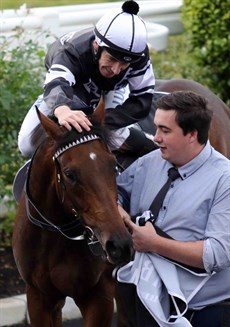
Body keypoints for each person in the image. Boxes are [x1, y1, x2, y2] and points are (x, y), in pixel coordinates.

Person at [116, 91, 230, 327]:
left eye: (165, 130)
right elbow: (113, 193)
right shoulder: (148, 163)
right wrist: (119, 212)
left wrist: (154, 244)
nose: (155, 137)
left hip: (200, 311)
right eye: (156, 127)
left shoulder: (225, 179)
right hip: (142, 300)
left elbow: (216, 254)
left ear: (192, 135)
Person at [18, 0, 156, 158]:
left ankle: (154, 147)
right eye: (111, 59)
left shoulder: (140, 56)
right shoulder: (70, 50)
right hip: (70, 92)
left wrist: (99, 123)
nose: (116, 70)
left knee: (111, 140)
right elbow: (57, 83)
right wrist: (62, 110)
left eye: (125, 63)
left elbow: (142, 100)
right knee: (27, 145)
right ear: (97, 46)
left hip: (111, 92)